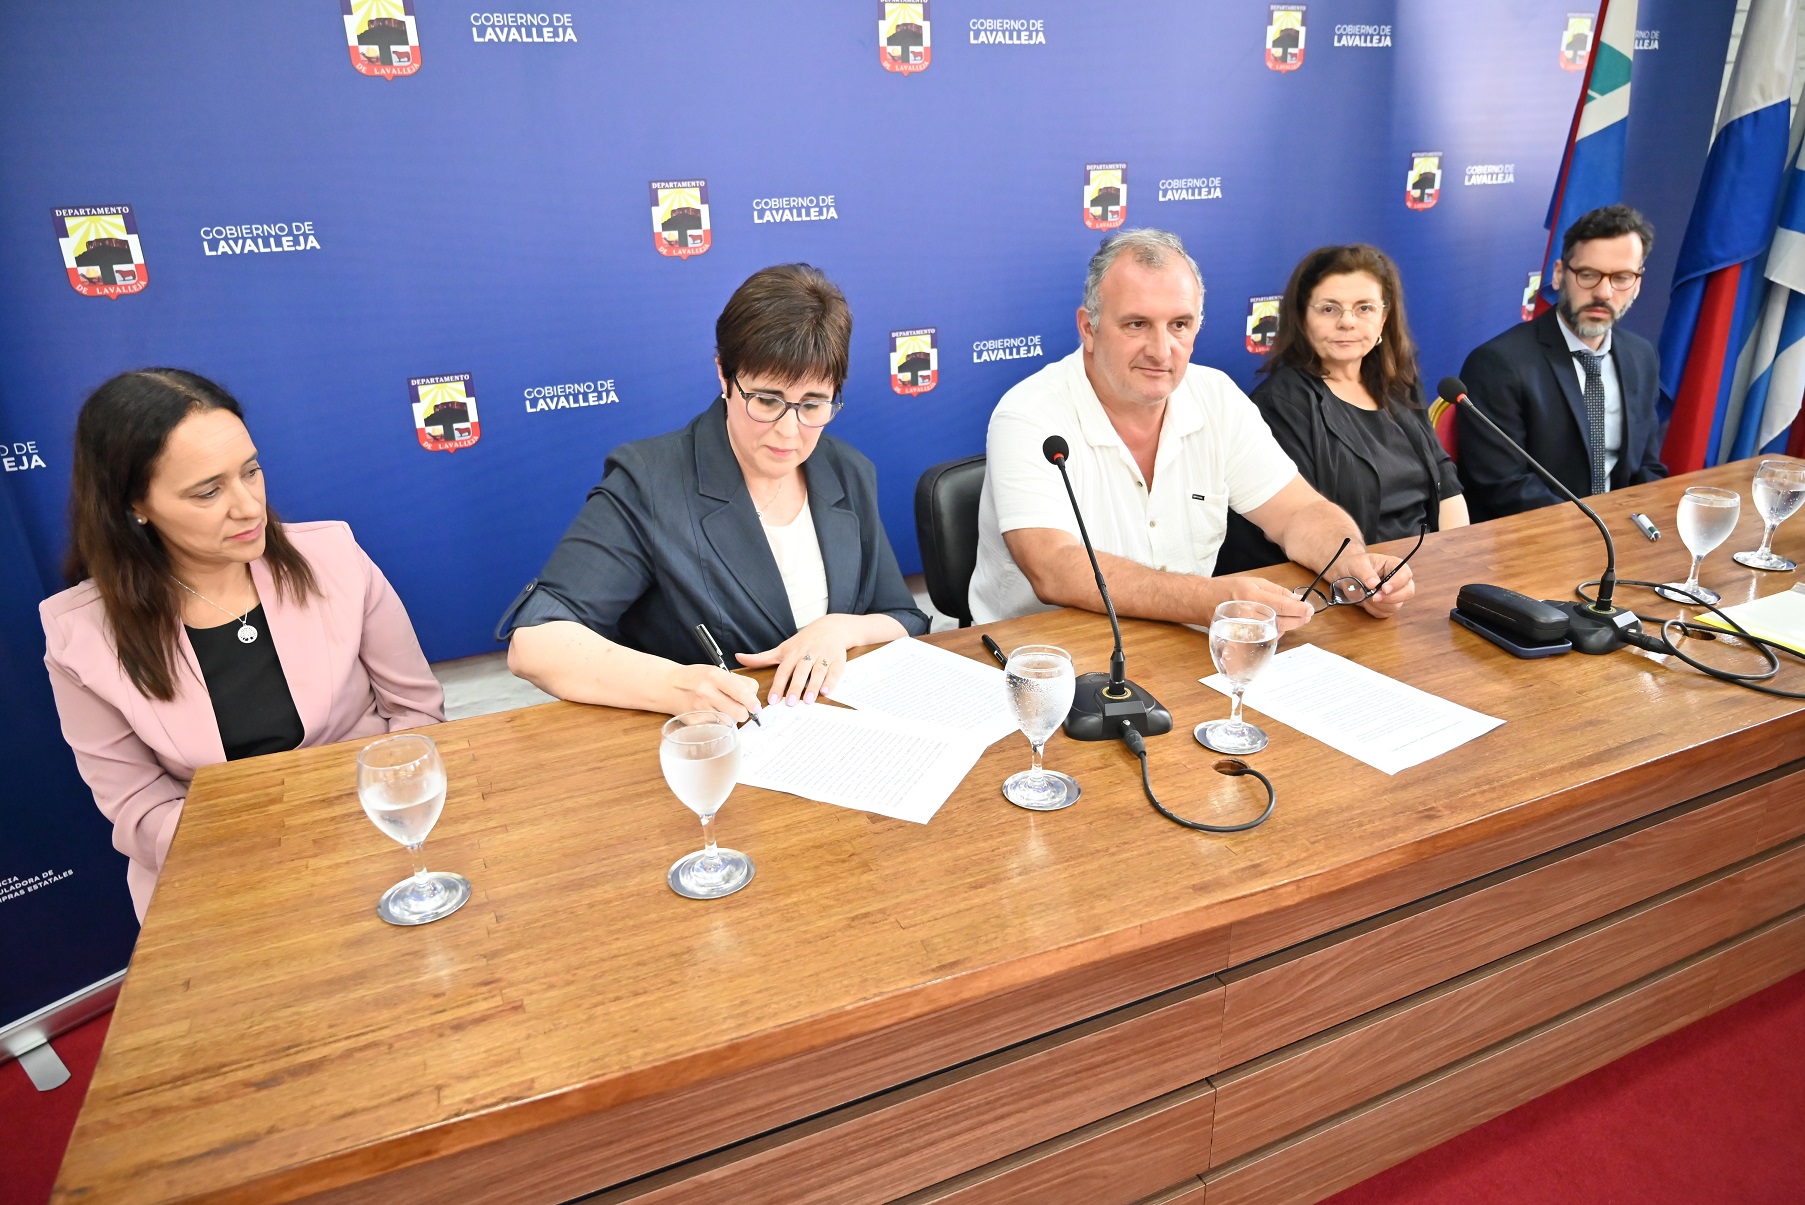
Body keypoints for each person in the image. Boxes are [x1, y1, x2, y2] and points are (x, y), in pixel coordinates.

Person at [41, 369, 443, 921]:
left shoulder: (336, 558)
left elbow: (416, 713)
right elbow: (137, 807)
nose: (249, 506)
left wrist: (374, 825)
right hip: (218, 879)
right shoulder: (79, 635)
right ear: (135, 504)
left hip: (379, 846)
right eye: (208, 491)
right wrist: (272, 853)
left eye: (251, 472)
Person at [502, 263, 927, 720]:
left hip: (837, 733)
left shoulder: (847, 470)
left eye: (813, 404)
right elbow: (535, 642)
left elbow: (903, 618)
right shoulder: (649, 480)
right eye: (767, 400)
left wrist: (839, 630)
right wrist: (674, 685)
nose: (789, 432)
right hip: (708, 747)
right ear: (725, 376)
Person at [968, 228, 1416, 631]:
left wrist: (1353, 566)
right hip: (1041, 657)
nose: (1161, 350)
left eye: (1179, 325)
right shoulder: (1028, 414)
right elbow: (1055, 567)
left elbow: (1298, 512)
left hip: (1178, 642)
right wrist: (1207, 600)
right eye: (1137, 324)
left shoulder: (1216, 395)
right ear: (1089, 327)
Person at [1217, 244, 1466, 575]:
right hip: (1352, 582)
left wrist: (1455, 560)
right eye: (1329, 309)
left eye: (1364, 308)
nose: (1347, 322)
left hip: (1427, 569)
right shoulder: (1281, 405)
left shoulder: (1399, 385)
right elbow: (1304, 527)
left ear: (1384, 317)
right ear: (1302, 318)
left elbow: (1446, 486)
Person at [1458, 204, 1668, 521]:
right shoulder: (1498, 364)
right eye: (1588, 275)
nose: (1603, 292)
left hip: (1623, 535)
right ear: (1559, 275)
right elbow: (1503, 484)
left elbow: (1647, 466)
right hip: (1534, 540)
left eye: (1622, 278)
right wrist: (1595, 530)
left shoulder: (1641, 356)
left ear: (1637, 284)